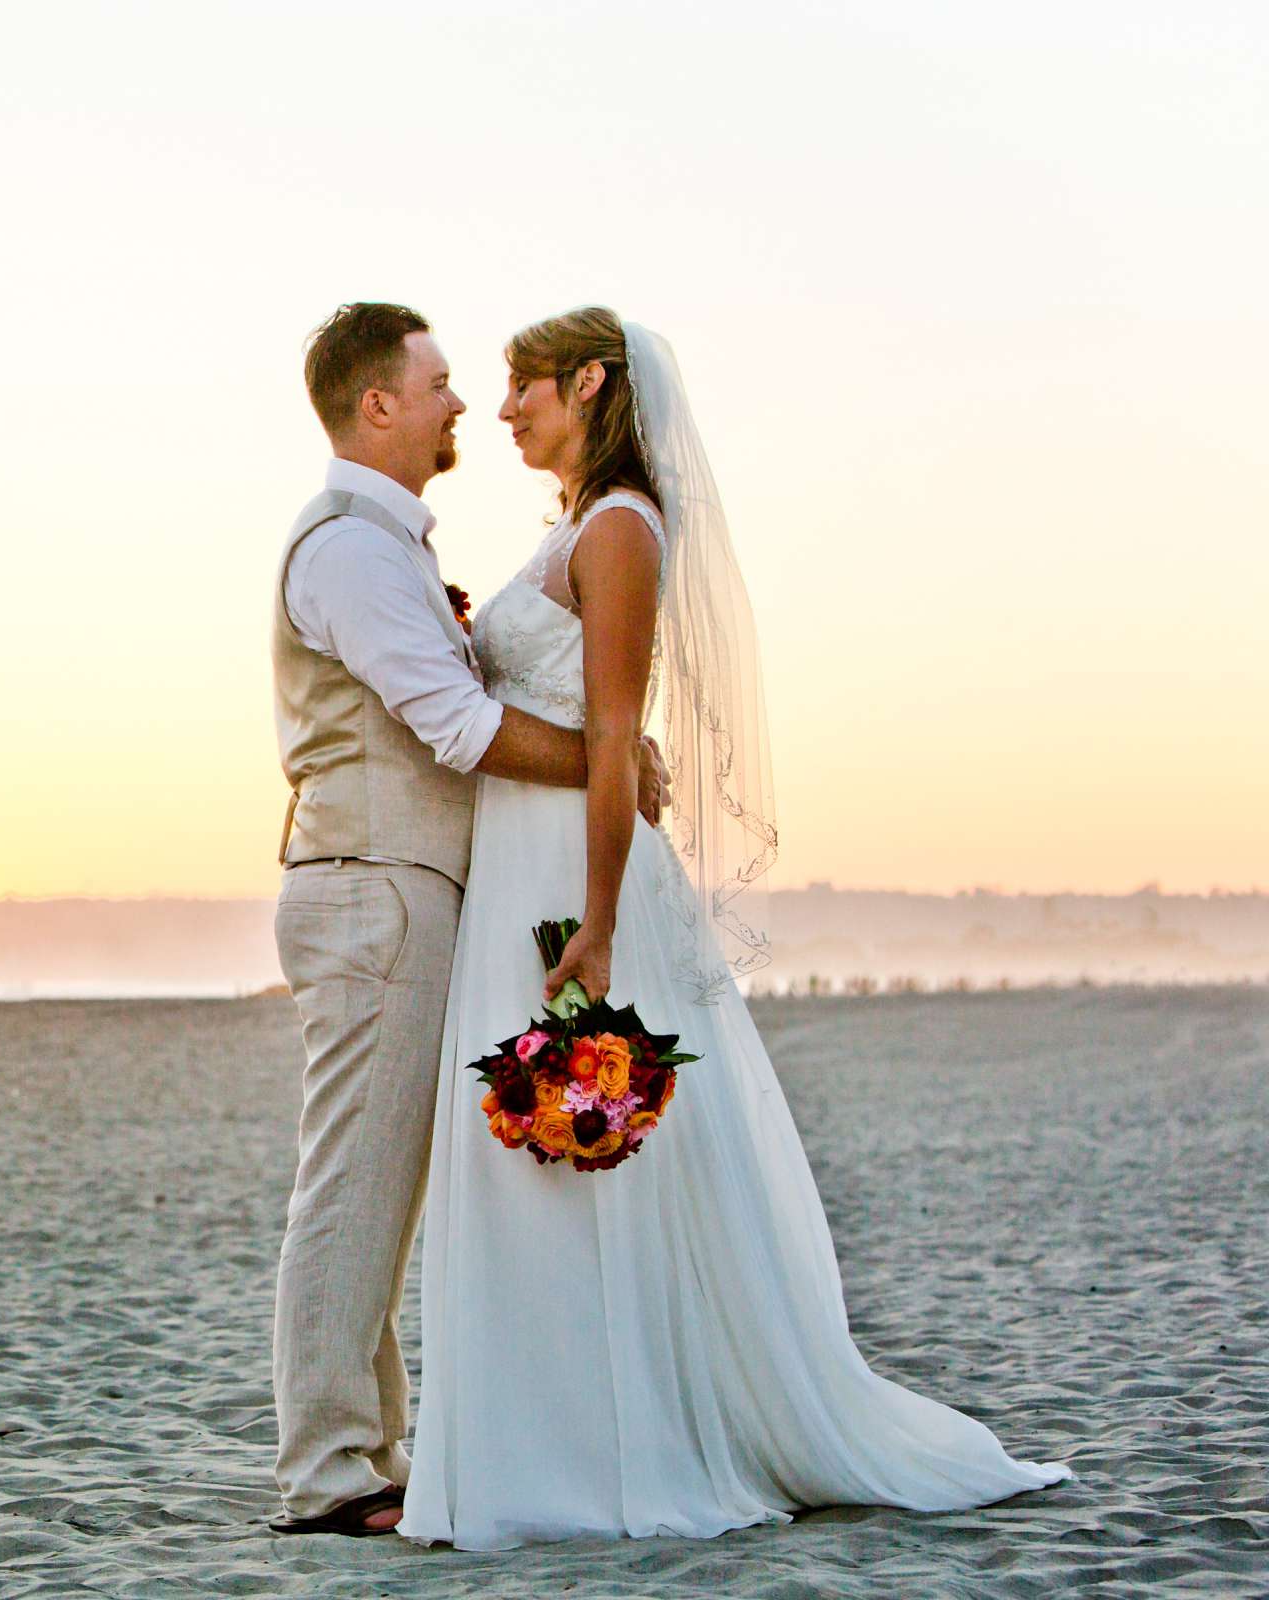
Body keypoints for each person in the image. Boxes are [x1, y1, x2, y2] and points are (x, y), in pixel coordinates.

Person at [399, 306, 1070, 1548]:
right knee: (530, 1157)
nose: (503, 411)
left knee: (580, 1146)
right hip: (519, 858)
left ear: (588, 383)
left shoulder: (622, 529)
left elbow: (609, 736)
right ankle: (543, 1437)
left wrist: (597, 924)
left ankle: (599, 1450)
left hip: (568, 876)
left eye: (523, 388)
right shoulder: (580, 529)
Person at [266, 302, 664, 1536]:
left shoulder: (381, 549)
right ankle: (330, 1472)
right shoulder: (348, 549)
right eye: (439, 383)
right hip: (374, 883)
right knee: (355, 1181)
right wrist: (615, 764)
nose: (461, 406)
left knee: (380, 1181)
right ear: (377, 404)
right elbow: (460, 726)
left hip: (395, 884)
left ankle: (365, 1454)